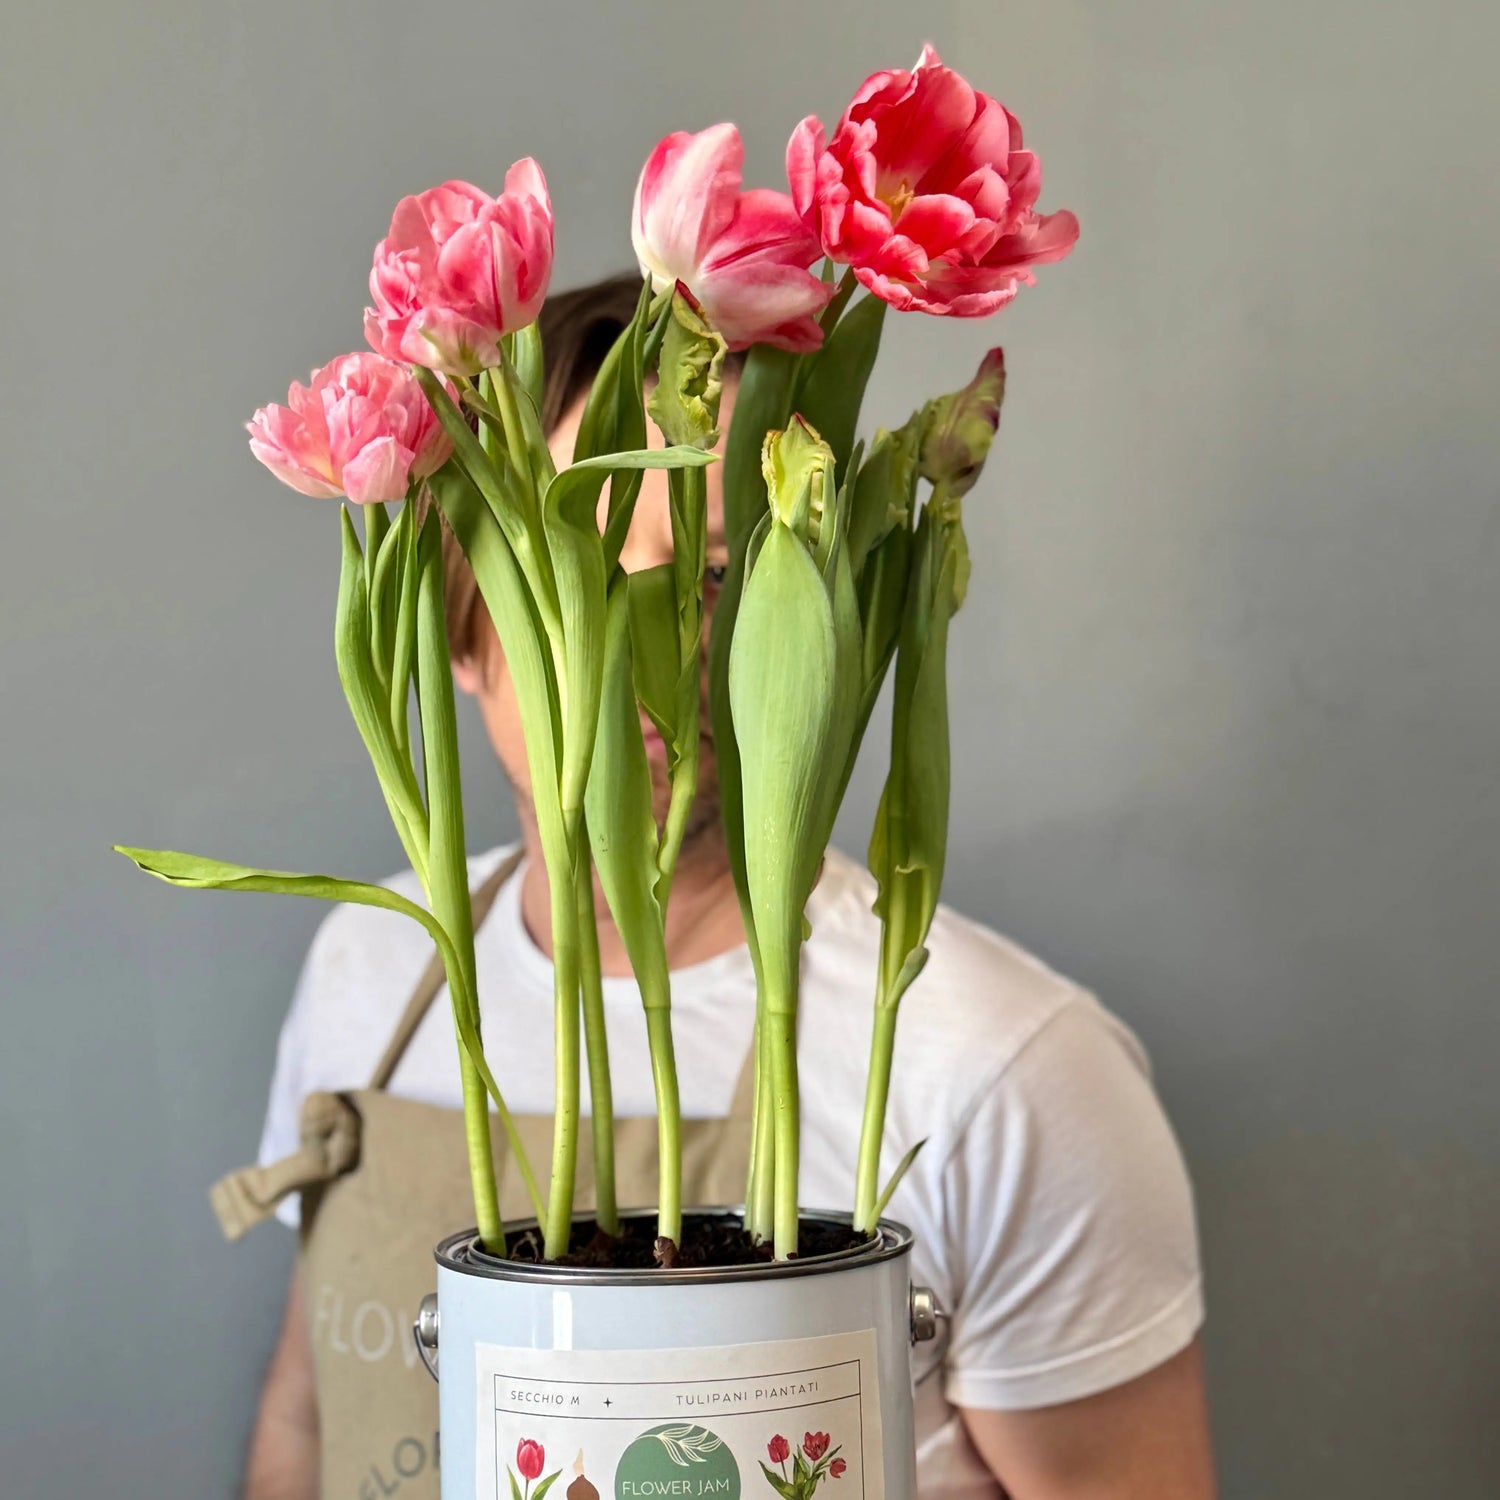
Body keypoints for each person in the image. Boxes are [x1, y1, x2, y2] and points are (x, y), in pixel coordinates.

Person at [242, 274, 1217, 1500]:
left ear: (804, 619)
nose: (641, 648)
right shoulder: (368, 969)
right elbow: (302, 1426)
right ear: (456, 621)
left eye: (711, 583)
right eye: (568, 577)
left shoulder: (1003, 1068)